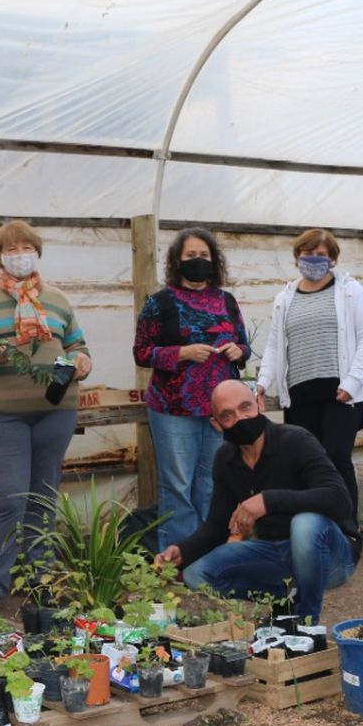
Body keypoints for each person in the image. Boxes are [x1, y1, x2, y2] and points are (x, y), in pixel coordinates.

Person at [0, 219, 92, 600]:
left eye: (25, 248)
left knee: (43, 497)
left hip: (56, 409)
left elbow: (79, 346)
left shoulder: (58, 299)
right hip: (5, 413)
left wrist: (81, 362)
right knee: (10, 497)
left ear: (37, 252)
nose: (19, 255)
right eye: (10, 249)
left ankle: (39, 579)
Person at [155, 379, 360, 623]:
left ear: (259, 404)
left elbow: (340, 499)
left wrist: (268, 501)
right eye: (228, 415)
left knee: (305, 524)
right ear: (217, 424)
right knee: (195, 574)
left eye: (245, 408)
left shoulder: (295, 440)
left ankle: (306, 624)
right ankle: (285, 600)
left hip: (331, 554)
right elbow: (217, 525)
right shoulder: (226, 458)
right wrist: (182, 550)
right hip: (275, 551)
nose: (241, 419)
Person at [133, 228, 250, 550]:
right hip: (174, 410)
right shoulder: (160, 303)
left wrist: (239, 351)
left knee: (211, 484)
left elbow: (244, 343)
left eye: (203, 256)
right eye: (190, 257)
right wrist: (180, 353)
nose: (198, 262)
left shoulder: (226, 300)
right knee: (178, 486)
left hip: (220, 410)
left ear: (213, 261)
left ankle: (208, 551)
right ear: (177, 261)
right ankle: (178, 557)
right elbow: (141, 352)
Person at [255, 228, 363, 516]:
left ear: (333, 259)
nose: (313, 259)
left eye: (321, 255)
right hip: (301, 393)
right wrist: (262, 382)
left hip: (340, 392)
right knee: (306, 461)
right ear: (297, 257)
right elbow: (274, 345)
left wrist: (353, 381)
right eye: (307, 253)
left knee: (336, 456)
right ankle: (315, 527)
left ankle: (347, 526)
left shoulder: (349, 290)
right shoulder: (284, 298)